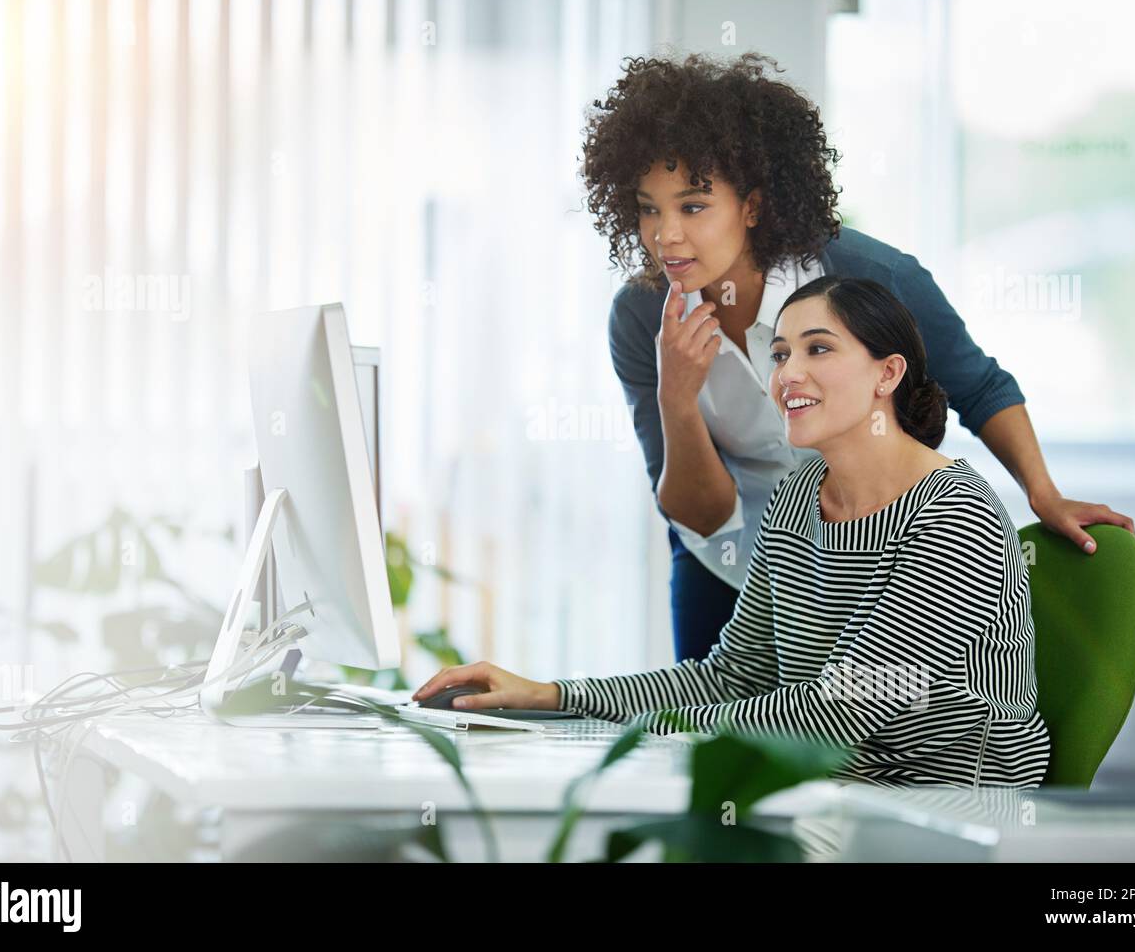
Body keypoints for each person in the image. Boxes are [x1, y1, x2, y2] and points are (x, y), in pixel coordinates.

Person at [581, 51, 1135, 662]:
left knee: (848, 739)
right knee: (714, 743)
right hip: (730, 560)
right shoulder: (638, 319)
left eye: (692, 206)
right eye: (647, 208)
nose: (666, 236)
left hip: (870, 545)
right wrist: (676, 398)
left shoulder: (873, 277)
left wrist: (1043, 492)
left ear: (754, 206)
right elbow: (705, 517)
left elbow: (979, 387)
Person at [414, 276, 1052, 789]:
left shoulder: (952, 511)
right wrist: (550, 696)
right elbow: (729, 678)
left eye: (818, 349)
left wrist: (648, 732)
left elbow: (842, 710)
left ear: (887, 374)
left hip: (941, 811)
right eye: (780, 354)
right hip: (820, 791)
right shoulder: (797, 495)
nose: (788, 374)